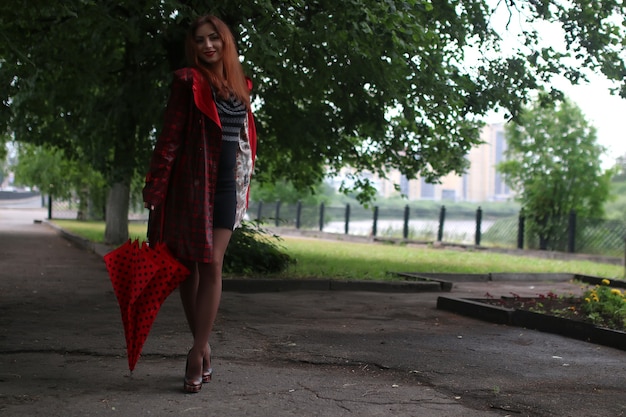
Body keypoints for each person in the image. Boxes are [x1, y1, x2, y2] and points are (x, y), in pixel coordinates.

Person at [142, 15, 257, 393]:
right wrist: (155, 191)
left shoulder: (242, 88)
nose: (208, 46)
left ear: (225, 43)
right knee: (187, 269)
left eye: (214, 39)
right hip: (191, 185)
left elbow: (245, 143)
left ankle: (195, 352)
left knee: (212, 262)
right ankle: (204, 348)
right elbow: (169, 138)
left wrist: (245, 188)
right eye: (200, 40)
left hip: (227, 188)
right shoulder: (188, 83)